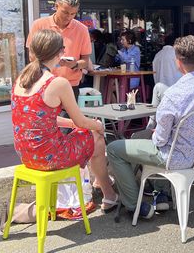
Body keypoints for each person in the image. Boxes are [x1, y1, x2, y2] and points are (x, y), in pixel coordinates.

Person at [106, 36, 194, 219]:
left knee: (114, 148)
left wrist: (156, 133)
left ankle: (134, 205)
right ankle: (159, 191)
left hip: (174, 158)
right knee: (140, 137)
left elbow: (160, 140)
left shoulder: (173, 94)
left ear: (178, 61)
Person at [12, 29, 118, 212]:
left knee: (90, 135)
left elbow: (39, 119)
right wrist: (98, 125)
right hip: (50, 156)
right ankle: (108, 193)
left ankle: (103, 184)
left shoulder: (20, 79)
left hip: (27, 155)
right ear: (60, 53)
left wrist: (70, 123)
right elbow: (82, 122)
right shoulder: (57, 83)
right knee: (97, 139)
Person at [26, 0, 90, 102]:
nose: (69, 17)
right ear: (56, 6)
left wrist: (74, 64)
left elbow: (85, 60)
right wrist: (47, 66)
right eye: (65, 12)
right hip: (43, 83)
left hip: (70, 85)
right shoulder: (39, 25)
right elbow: (32, 56)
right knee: (46, 119)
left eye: (73, 14)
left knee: (69, 120)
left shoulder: (82, 30)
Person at [146, 35, 183, 129]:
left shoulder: (158, 55)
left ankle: (150, 127)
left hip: (160, 92)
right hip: (177, 92)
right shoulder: (176, 55)